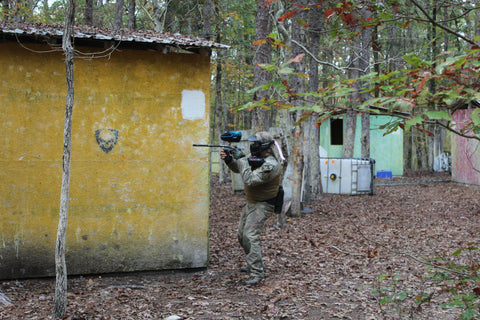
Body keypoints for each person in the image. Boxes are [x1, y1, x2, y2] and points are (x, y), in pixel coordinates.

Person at [220, 131, 282, 286]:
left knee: (249, 236)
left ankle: (257, 272)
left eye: (256, 144)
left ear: (264, 146)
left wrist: (241, 160)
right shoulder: (257, 157)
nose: (253, 146)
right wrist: (229, 160)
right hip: (252, 203)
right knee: (242, 236)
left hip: (264, 204)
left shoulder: (271, 164)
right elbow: (239, 168)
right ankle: (253, 265)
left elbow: (249, 180)